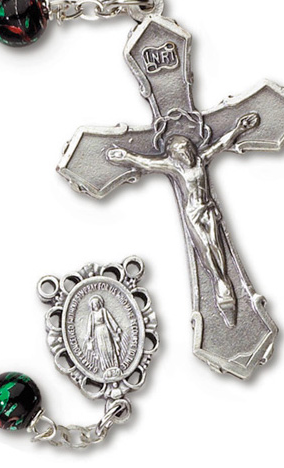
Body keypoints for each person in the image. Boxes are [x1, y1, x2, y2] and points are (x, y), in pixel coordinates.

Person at [107, 112, 260, 327]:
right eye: (181, 151)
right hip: (194, 213)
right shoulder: (174, 167)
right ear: (175, 154)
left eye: (187, 148)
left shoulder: (201, 160)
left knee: (216, 247)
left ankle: (223, 282)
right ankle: (221, 283)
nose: (187, 153)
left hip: (208, 209)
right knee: (206, 249)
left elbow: (221, 144)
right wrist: (126, 156)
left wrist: (240, 128)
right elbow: (147, 163)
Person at [86, 295, 123, 377]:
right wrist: (89, 335)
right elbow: (90, 326)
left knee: (109, 347)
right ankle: (105, 367)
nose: (96, 305)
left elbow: (111, 320)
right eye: (94, 304)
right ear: (92, 306)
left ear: (99, 303)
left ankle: (113, 364)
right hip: (98, 333)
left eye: (97, 303)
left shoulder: (103, 311)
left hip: (105, 330)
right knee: (102, 349)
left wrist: (116, 328)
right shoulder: (92, 314)